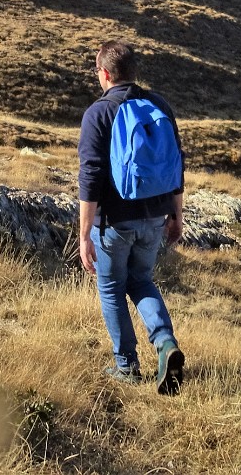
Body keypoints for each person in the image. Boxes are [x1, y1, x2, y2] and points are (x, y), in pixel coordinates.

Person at [78, 39, 186, 394]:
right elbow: (175, 165)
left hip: (114, 221)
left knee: (111, 288)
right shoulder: (159, 105)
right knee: (141, 281)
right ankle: (165, 343)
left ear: (105, 73)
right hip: (155, 215)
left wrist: (83, 235)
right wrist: (176, 215)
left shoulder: (99, 112)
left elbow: (90, 176)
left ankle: (126, 366)